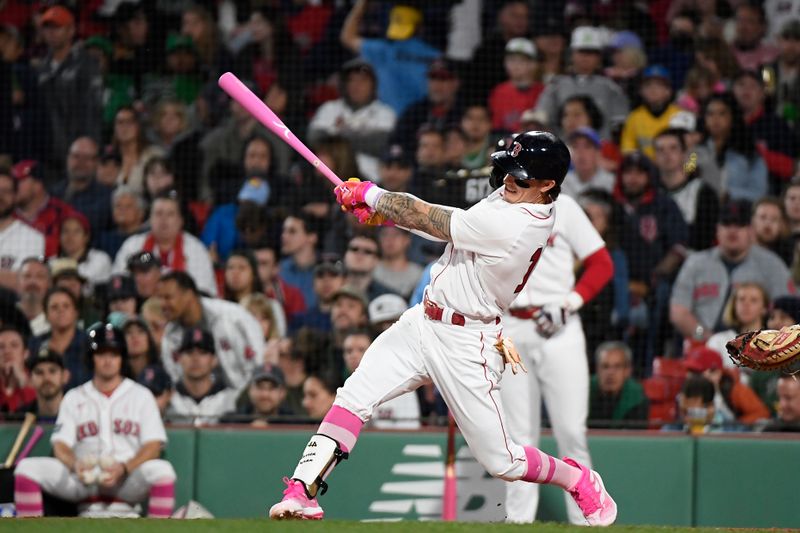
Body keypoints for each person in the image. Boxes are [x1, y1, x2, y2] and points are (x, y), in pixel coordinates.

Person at [269, 131, 617, 525]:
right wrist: (383, 211)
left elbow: (433, 218)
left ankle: (578, 477)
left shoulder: (520, 223)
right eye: (507, 171)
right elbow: (441, 224)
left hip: (469, 341)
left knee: (502, 460)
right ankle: (302, 491)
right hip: (423, 320)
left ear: (547, 185)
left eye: (519, 177)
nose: (507, 181)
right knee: (354, 395)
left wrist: (373, 196)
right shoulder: (513, 197)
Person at [500, 191, 613, 524]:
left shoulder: (564, 207)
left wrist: (569, 303)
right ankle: (518, 522)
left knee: (571, 432)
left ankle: (587, 518)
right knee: (518, 438)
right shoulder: (495, 208)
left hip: (561, 327)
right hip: (510, 329)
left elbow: (601, 263)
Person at [14, 322, 176, 518]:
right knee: (26, 468)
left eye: (113, 354)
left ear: (121, 358)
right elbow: (60, 446)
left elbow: (153, 446)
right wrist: (75, 465)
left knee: (163, 470)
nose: (107, 360)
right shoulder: (74, 397)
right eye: (101, 354)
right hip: (83, 480)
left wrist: (125, 468)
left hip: (126, 482)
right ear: (92, 358)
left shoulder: (141, 395)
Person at [670, 200, 794, 345]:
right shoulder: (696, 263)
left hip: (755, 349)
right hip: (700, 345)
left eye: (739, 225)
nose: (732, 230)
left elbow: (790, 313)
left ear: (750, 231)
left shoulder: (772, 265)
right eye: (727, 224)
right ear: (717, 230)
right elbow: (678, 312)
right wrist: (705, 337)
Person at [157, 271, 263, 391]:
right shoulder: (170, 335)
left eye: (168, 297)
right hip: (199, 404)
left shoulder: (234, 317)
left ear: (188, 295)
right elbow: (176, 380)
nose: (162, 304)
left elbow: (259, 362)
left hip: (246, 398)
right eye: (159, 298)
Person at [339, 0, 440, 115]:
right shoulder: (436, 56)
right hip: (421, 122)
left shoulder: (382, 49)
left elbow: (347, 37)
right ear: (420, 27)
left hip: (387, 122)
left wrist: (362, 4)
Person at [113, 191, 217, 297]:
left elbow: (203, 292)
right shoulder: (132, 245)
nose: (163, 220)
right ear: (150, 219)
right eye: (158, 213)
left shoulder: (195, 249)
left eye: (170, 214)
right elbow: (118, 283)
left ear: (180, 220)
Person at [36, 5, 103, 169]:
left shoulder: (86, 64)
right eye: (48, 28)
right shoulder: (41, 69)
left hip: (79, 152)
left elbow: (92, 111)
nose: (51, 32)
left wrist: (89, 150)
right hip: (49, 154)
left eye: (57, 27)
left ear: (71, 30)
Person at [308, 58, 397, 180]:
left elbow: (381, 145)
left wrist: (341, 134)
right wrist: (359, 136)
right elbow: (314, 139)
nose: (356, 85)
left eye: (363, 80)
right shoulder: (329, 108)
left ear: (373, 85)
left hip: (370, 181)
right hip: (331, 180)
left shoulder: (385, 112)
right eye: (351, 80)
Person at [535, 26, 629, 139]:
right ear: (572, 54)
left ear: (599, 57)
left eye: (591, 52)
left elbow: (621, 123)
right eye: (581, 51)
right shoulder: (556, 85)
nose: (586, 57)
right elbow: (541, 118)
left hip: (601, 149)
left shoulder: (611, 87)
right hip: (563, 148)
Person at [653, 128, 719, 251]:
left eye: (673, 148)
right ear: (654, 157)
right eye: (660, 150)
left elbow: (706, 240)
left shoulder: (703, 193)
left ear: (684, 154)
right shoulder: (649, 193)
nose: (667, 154)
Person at [694, 93, 768, 203]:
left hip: (739, 214)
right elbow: (684, 174)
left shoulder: (750, 154)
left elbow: (760, 193)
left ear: (733, 117)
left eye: (722, 113)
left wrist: (729, 194)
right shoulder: (696, 151)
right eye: (710, 114)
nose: (715, 119)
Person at [342, 328, 420, 429]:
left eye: (361, 350)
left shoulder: (401, 385)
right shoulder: (345, 391)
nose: (354, 355)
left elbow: (411, 431)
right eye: (349, 351)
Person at [683, 346, 770, 427]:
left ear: (716, 373)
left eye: (696, 372)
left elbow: (761, 414)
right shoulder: (687, 390)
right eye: (689, 371)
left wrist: (735, 427)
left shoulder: (734, 389)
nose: (689, 376)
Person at [167, 326, 238, 426]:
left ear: (214, 359)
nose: (195, 359)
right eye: (189, 352)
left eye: (202, 353)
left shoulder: (230, 399)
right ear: (179, 358)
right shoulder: (168, 398)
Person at [52, 137, 114, 242]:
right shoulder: (54, 193)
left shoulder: (107, 197)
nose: (81, 162)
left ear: (97, 162)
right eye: (76, 156)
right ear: (68, 158)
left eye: (87, 158)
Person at [13, 159, 77, 258]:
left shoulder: (63, 212)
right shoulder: (5, 214)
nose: (13, 186)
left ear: (38, 185)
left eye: (19, 181)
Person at [29, 288, 89, 391]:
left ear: (75, 312)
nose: (61, 311)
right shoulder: (35, 344)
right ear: (46, 314)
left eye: (66, 306)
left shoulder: (89, 343)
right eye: (54, 307)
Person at [705, 282, 769, 376]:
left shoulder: (775, 343)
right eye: (741, 299)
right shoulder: (717, 341)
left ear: (764, 309)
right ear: (734, 306)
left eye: (754, 300)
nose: (746, 304)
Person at [620, 65, 681, 158]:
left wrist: (688, 171)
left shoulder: (681, 116)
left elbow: (693, 153)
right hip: (645, 170)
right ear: (641, 91)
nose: (653, 90)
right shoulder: (634, 118)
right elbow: (627, 152)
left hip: (677, 170)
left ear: (668, 91)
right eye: (648, 85)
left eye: (659, 85)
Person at [0, 169, 44, 290]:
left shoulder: (33, 238)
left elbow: (27, 283)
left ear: (15, 196)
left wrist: (15, 278)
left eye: (6, 191)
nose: (0, 196)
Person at [588, 341, 649, 429]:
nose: (610, 373)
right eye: (605, 366)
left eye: (617, 367)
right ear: (597, 370)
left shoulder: (637, 397)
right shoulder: (584, 391)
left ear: (627, 371)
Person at [488, 38, 544, 133]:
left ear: (533, 64)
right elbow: (495, 127)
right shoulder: (499, 92)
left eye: (521, 61)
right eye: (511, 60)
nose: (515, 65)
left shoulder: (543, 91)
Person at [58, 212, 112, 294]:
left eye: (76, 231)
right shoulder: (52, 262)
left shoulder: (100, 259)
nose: (70, 237)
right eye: (66, 231)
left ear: (86, 237)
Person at [223, 364, 291, 426]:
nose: (265, 394)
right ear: (250, 390)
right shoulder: (230, 422)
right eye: (259, 387)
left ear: (282, 393)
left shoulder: (294, 424)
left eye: (271, 388)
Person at [19, 343, 68, 422]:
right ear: (30, 379)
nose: (46, 378)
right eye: (39, 372)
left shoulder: (80, 413)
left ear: (65, 376)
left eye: (52, 371)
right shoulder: (19, 417)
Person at [280, 214, 320, 309]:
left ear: (312, 237)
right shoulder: (280, 270)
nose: (284, 236)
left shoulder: (325, 270)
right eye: (284, 231)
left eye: (292, 231)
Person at [561, 128, 615, 198]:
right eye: (575, 146)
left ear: (598, 153)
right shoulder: (563, 182)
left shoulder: (611, 182)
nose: (580, 152)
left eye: (587, 146)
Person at [372, 227, 423, 300]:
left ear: (407, 240)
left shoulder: (418, 274)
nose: (389, 239)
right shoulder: (371, 267)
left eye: (396, 234)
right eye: (384, 234)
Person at [97, 185, 148, 259]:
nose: (122, 210)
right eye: (118, 206)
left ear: (140, 213)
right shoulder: (104, 240)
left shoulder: (147, 238)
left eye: (128, 206)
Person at [0, 325, 34, 414]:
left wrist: (23, 382)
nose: (7, 351)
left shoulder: (38, 379)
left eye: (14, 345)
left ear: (25, 353)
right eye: (1, 346)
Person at [751, 198, 793, 265]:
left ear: (781, 225)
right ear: (753, 221)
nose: (768, 223)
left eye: (774, 219)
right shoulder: (740, 250)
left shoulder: (788, 254)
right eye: (763, 217)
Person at [17, 257, 51, 336]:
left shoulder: (56, 322)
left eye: (40, 277)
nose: (33, 282)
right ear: (18, 282)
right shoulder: (4, 315)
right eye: (27, 276)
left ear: (49, 284)